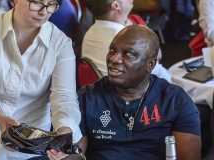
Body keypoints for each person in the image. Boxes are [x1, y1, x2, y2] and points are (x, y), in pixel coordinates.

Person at [66, 24, 201, 160]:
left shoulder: (175, 101)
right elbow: (75, 154)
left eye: (129, 54)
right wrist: (62, 153)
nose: (114, 58)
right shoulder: (87, 97)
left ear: (150, 64)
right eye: (112, 50)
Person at [0, 0, 82, 159]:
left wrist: (64, 130)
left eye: (52, 4)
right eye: (37, 2)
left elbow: (64, 98)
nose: (44, 12)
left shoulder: (60, 44)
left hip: (30, 152)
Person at [82, 0, 172, 83]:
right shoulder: (128, 38)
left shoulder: (89, 34)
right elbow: (161, 72)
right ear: (115, 5)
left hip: (104, 96)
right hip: (131, 98)